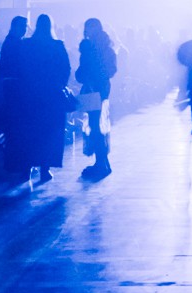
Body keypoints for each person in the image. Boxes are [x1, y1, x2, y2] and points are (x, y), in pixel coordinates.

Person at [11, 15, 71, 184]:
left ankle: (26, 168)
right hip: (51, 95)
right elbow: (66, 68)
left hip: (29, 95)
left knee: (30, 131)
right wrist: (59, 85)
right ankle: (45, 168)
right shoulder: (58, 46)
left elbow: (19, 67)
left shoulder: (26, 45)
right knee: (50, 132)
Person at [76, 18, 117, 180]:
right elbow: (111, 69)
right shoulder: (106, 47)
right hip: (102, 89)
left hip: (93, 89)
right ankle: (103, 161)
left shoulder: (89, 48)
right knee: (98, 125)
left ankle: (101, 163)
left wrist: (85, 76)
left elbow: (84, 70)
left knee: (95, 125)